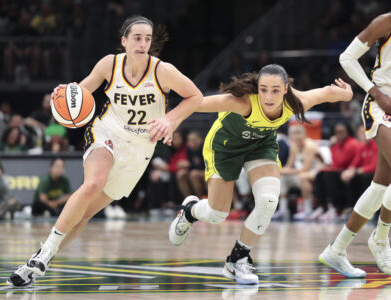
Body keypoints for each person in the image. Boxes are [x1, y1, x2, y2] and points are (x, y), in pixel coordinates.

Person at [7, 15, 202, 287]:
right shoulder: (110, 64)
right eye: (137, 37)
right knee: (93, 183)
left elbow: (196, 97)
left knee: (86, 214)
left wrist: (169, 119)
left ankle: (43, 258)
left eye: (148, 38)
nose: (143, 43)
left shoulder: (162, 71)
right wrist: (64, 93)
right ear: (124, 41)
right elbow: (82, 91)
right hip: (107, 131)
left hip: (140, 149)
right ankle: (44, 252)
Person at [168, 64, 352, 284]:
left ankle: (238, 260)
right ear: (258, 87)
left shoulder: (295, 102)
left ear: (286, 88)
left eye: (275, 90)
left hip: (260, 146)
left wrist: (347, 93)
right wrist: (170, 121)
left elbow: (329, 93)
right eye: (264, 89)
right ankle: (189, 211)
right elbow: (196, 102)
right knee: (217, 214)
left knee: (268, 200)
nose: (268, 96)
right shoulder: (243, 102)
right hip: (225, 147)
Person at [319, 12, 391, 278]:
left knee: (380, 186)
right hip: (381, 104)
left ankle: (336, 250)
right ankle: (381, 239)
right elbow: (346, 58)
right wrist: (376, 93)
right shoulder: (385, 22)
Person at [275, 124, 324, 221]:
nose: (298, 141)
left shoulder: (310, 146)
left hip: (318, 171)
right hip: (301, 172)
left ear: (304, 136)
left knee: (303, 177)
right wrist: (280, 171)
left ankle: (307, 210)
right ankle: (283, 209)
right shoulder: (294, 147)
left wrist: (287, 171)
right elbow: (289, 165)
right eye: (296, 139)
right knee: (281, 178)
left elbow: (305, 168)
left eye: (300, 139)